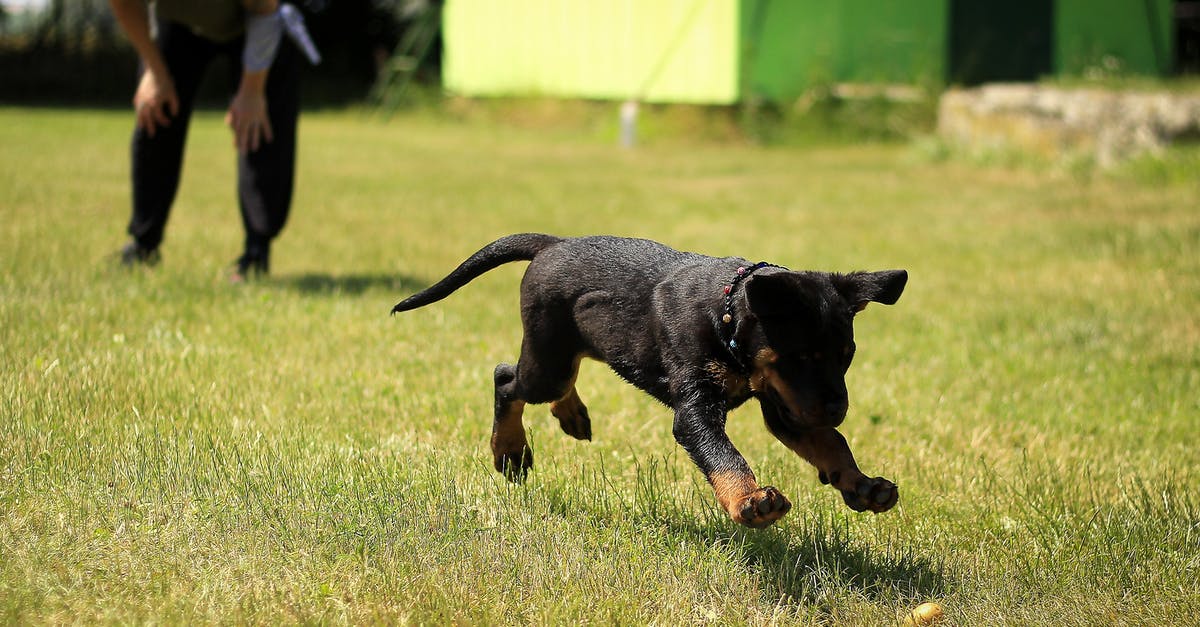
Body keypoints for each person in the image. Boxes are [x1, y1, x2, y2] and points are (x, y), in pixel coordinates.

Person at [109, 0, 311, 281]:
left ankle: (256, 252)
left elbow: (265, 10)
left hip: (260, 19)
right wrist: (154, 71)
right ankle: (143, 244)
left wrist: (252, 90)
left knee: (259, 127)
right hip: (178, 23)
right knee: (155, 111)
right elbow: (123, 4)